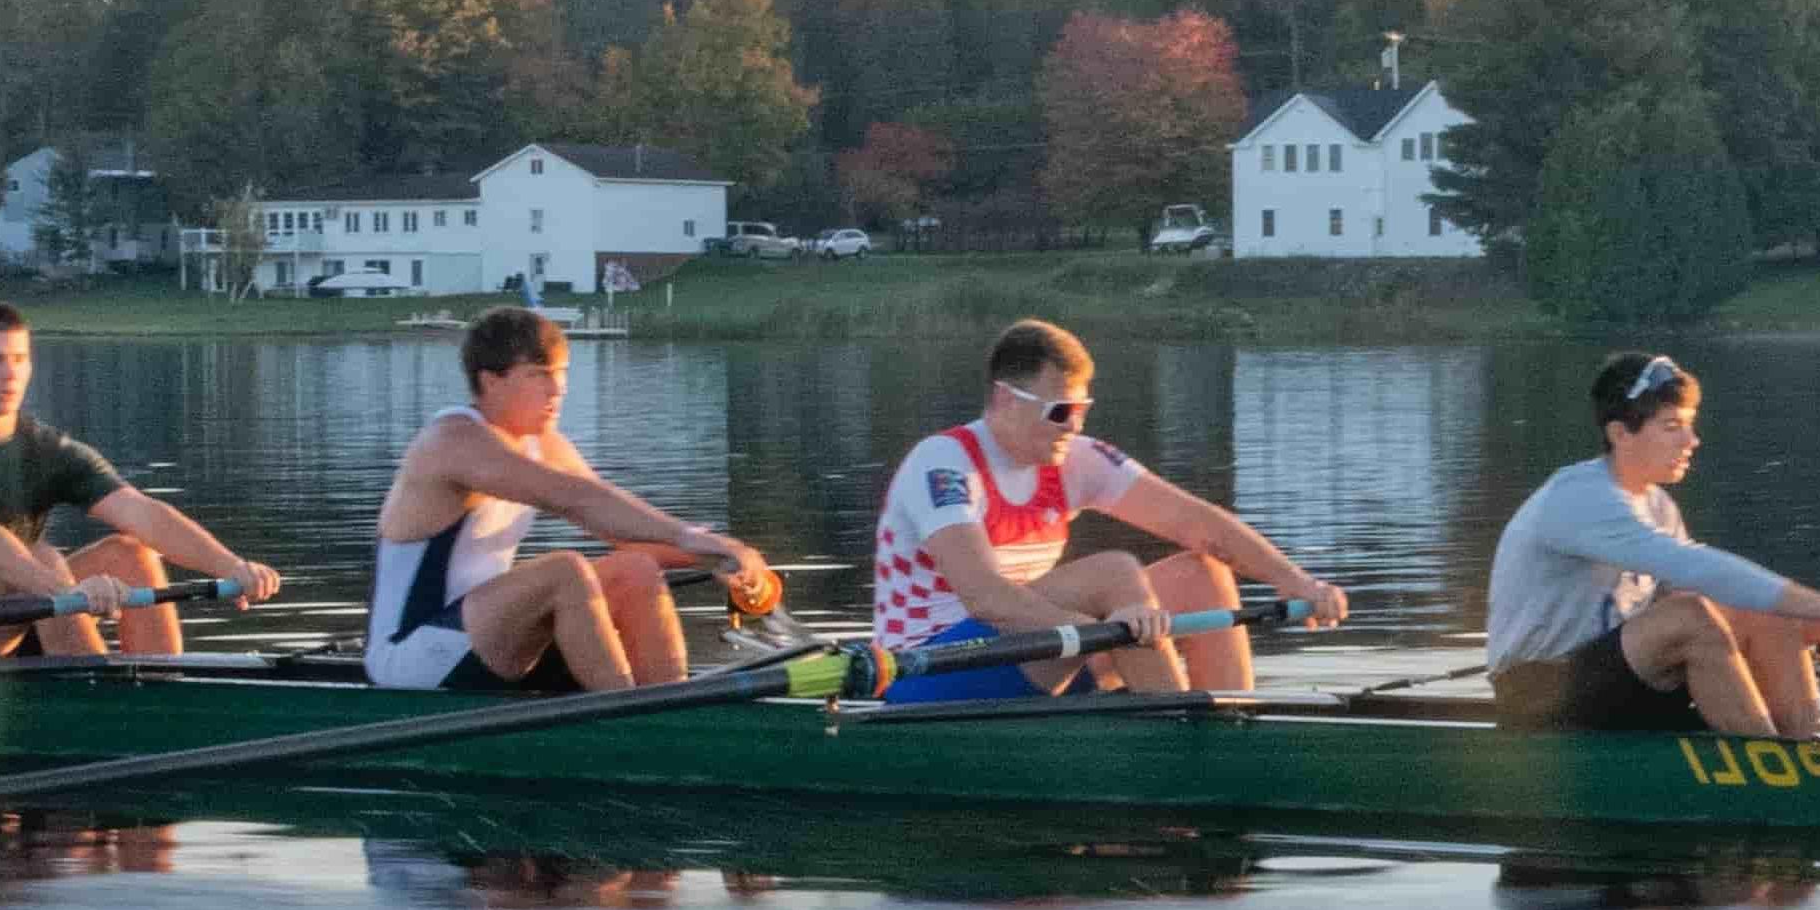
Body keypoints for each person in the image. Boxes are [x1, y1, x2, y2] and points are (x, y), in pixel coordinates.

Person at [866, 318, 1348, 701]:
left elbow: (1200, 524)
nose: (1072, 426)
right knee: (1114, 574)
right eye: (1059, 411)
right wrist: (1107, 634)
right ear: (1005, 399)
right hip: (929, 670)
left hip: (1033, 654)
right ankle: (1180, 740)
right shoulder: (944, 463)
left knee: (1202, 574)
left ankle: (1230, 725)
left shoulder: (1075, 460)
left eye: (1081, 409)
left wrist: (1297, 582)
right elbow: (986, 598)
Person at [1483, 351, 1820, 738]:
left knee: (1769, 614)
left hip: (1619, 684)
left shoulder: (1657, 505)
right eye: (1671, 427)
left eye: (1689, 425)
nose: (1691, 441)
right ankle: (1768, 772)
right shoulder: (1578, 498)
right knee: (1692, 615)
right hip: (1537, 697)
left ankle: (1806, 752)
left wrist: (1817, 626)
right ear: (1620, 434)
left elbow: (1700, 597)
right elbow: (1695, 572)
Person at [368, 307, 777, 695]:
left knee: (634, 568)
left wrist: (724, 555)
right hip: (410, 657)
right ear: (491, 381)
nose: (557, 389)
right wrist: (688, 535)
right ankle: (629, 719)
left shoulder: (541, 444)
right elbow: (577, 500)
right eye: (538, 374)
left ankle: (671, 706)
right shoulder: (453, 440)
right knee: (566, 572)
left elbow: (615, 526)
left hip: (485, 636)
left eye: (560, 373)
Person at [0, 300, 280, 652]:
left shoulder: (45, 448)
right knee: (37, 558)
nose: (10, 375)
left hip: (6, 618)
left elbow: (142, 513)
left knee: (129, 554)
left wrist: (233, 567)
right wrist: (65, 591)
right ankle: (98, 693)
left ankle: (161, 691)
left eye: (19, 360)